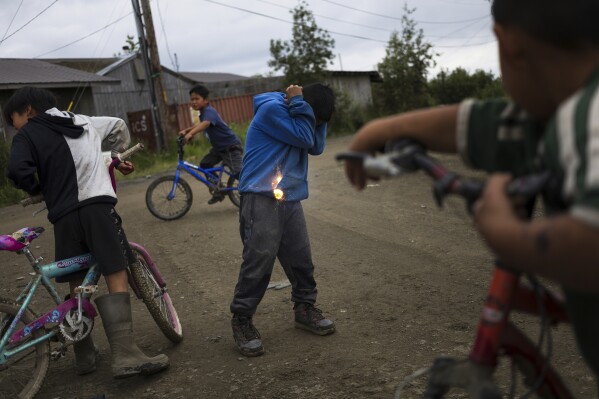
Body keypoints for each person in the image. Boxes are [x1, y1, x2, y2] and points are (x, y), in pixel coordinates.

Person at [343, 0, 599, 388]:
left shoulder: (589, 112)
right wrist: (382, 128)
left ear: (506, 42)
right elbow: (494, 124)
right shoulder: (564, 109)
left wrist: (507, 234)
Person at [5, 86, 170, 379]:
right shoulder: (82, 121)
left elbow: (18, 170)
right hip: (97, 207)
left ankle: (84, 354)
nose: (13, 125)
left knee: (75, 278)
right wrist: (113, 156)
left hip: (64, 216)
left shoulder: (27, 135)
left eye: (13, 118)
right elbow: (119, 126)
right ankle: (125, 353)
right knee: (114, 269)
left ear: (27, 110)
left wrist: (38, 188)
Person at [229, 83, 337, 356]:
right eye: (315, 119)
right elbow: (304, 137)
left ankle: (304, 308)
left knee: (300, 256)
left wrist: (318, 119)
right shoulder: (272, 110)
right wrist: (303, 108)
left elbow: (316, 146)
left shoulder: (301, 115)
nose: (315, 126)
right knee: (259, 259)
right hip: (259, 194)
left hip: (286, 196)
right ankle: (242, 318)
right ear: (299, 105)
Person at [178, 84, 243, 204]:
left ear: (206, 100)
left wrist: (190, 134)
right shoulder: (204, 113)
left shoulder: (209, 111)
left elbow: (205, 124)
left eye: (196, 99)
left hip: (230, 147)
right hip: (219, 148)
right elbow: (201, 123)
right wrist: (187, 130)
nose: (193, 102)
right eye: (192, 99)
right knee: (205, 164)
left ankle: (256, 193)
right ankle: (218, 191)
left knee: (239, 173)